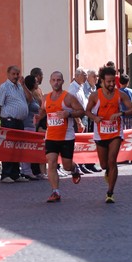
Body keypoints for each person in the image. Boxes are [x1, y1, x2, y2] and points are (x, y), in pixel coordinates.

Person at [86, 66, 132, 203]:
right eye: (108, 82)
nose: (111, 84)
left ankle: (110, 192)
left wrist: (121, 113)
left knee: (112, 160)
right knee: (103, 164)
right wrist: (94, 118)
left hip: (115, 132)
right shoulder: (95, 95)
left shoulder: (120, 94)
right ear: (102, 81)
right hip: (100, 133)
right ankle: (108, 171)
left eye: (113, 82)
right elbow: (87, 111)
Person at [39, 71, 85, 203]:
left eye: (58, 80)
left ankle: (74, 168)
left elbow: (81, 111)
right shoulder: (45, 97)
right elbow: (43, 110)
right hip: (51, 136)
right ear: (50, 81)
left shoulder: (68, 97)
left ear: (62, 81)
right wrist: (38, 117)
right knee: (51, 162)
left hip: (66, 137)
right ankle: (55, 191)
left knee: (66, 166)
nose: (56, 82)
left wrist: (68, 114)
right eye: (53, 80)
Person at [0, 65, 30, 183]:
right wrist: (3, 118)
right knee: (8, 147)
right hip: (9, 121)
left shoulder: (20, 87)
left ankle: (15, 174)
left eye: (17, 74)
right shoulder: (3, 87)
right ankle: (6, 174)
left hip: (19, 122)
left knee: (17, 148)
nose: (16, 76)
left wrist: (24, 85)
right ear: (8, 74)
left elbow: (30, 99)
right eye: (13, 74)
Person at [20, 75, 40, 180]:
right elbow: (29, 100)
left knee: (31, 149)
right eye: (36, 81)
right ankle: (26, 171)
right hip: (27, 125)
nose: (38, 83)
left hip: (33, 125)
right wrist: (23, 85)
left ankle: (28, 170)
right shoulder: (27, 95)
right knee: (27, 149)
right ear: (32, 83)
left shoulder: (35, 95)